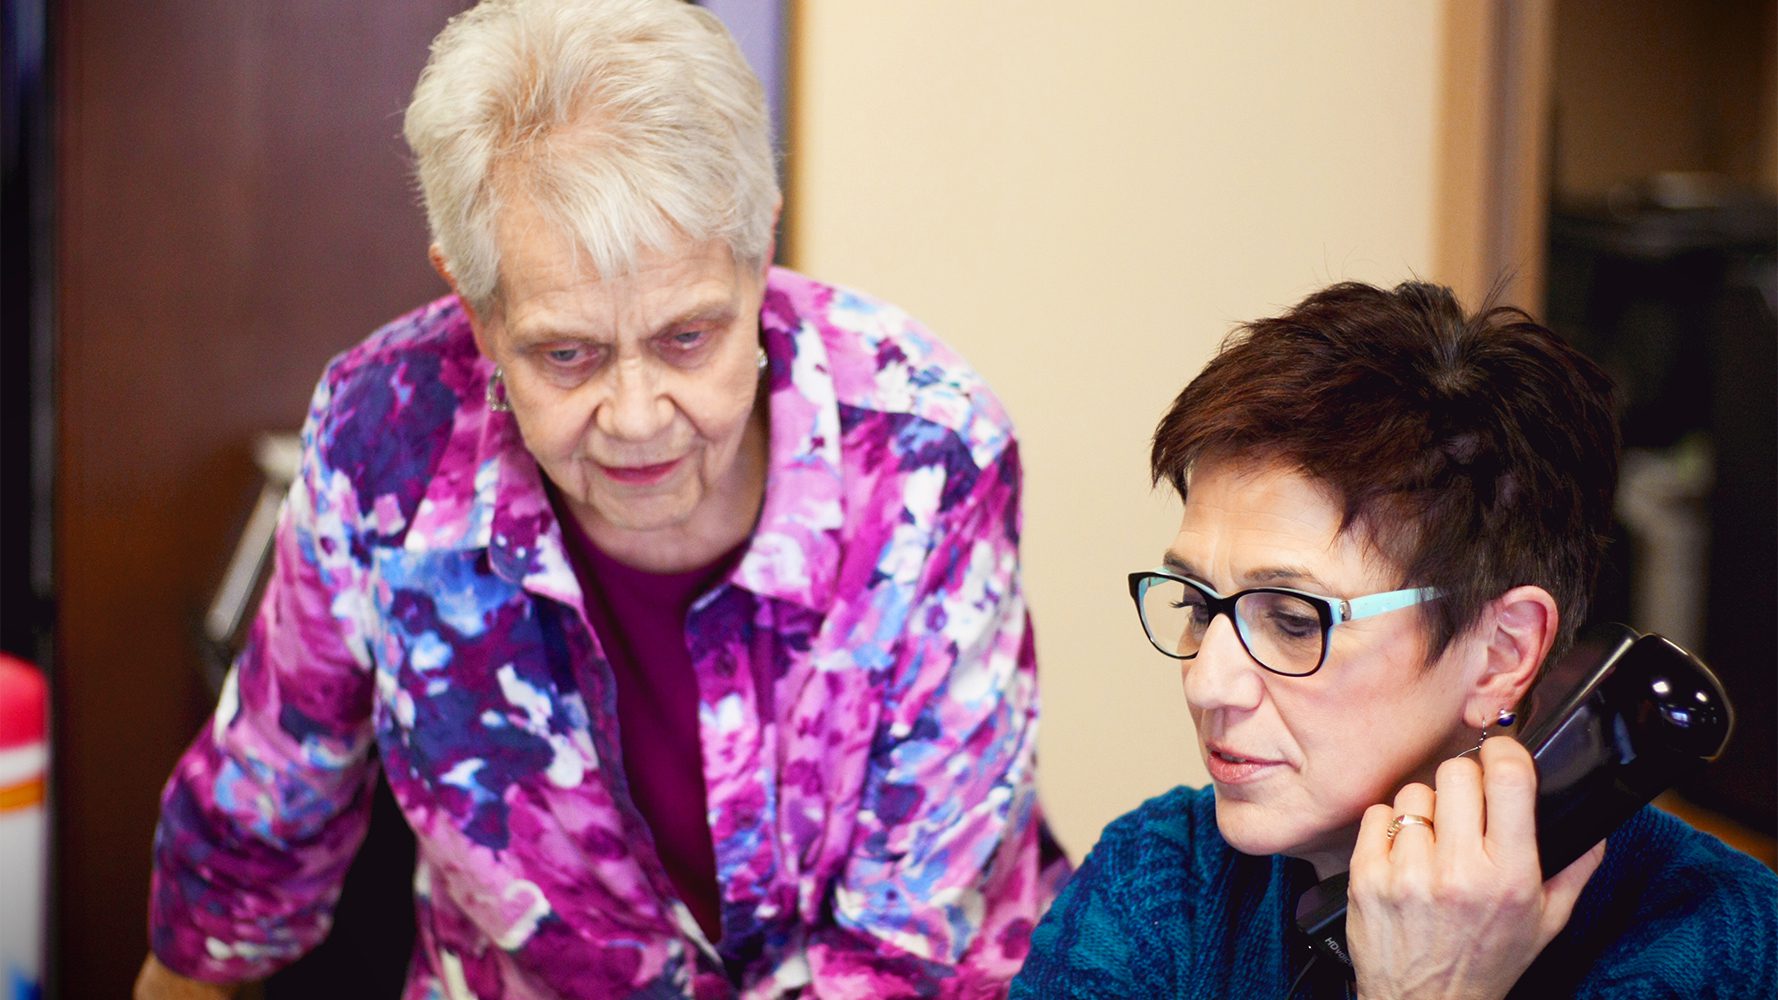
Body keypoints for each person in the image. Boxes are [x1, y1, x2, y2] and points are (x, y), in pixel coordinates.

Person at [136, 1, 1063, 996]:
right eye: (565, 354)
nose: (633, 417)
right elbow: (255, 836)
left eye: (687, 338)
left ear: (757, 256)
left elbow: (907, 944)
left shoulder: (929, 451)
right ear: (476, 309)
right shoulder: (383, 441)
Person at [1012, 281, 1778, 998]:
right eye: (1200, 605)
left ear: (1501, 653)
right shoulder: (1161, 879)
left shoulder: (1718, 948)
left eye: (1291, 619)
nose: (1208, 684)